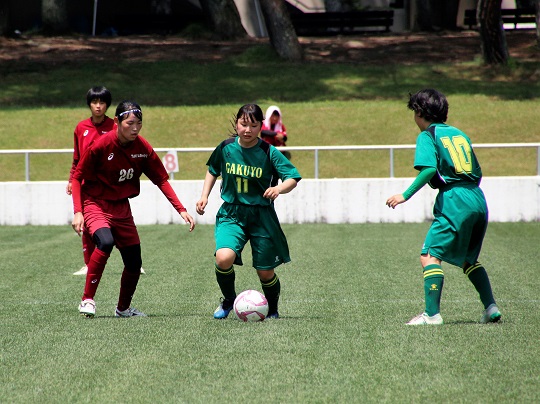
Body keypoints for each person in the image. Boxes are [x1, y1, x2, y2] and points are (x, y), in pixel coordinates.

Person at [385, 89, 501, 325]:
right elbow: (476, 173)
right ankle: (491, 308)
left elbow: (428, 169)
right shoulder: (460, 135)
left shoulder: (428, 135)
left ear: (419, 112)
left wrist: (404, 195)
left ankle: (431, 315)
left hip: (455, 201)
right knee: (469, 260)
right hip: (477, 198)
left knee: (429, 256)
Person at [71, 100, 195, 318]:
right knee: (105, 241)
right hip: (95, 203)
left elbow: (161, 179)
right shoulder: (101, 145)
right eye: (130, 123)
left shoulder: (142, 148)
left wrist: (181, 209)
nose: (135, 128)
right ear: (117, 122)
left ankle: (123, 309)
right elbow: (77, 176)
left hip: (121, 208)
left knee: (134, 262)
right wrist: (78, 211)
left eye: (139, 123)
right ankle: (87, 300)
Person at [196, 103, 301, 320]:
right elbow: (212, 170)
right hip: (232, 213)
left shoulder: (268, 151)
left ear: (260, 127)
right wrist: (204, 195)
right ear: (237, 123)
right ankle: (228, 300)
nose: (247, 130)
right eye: (243, 124)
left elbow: (293, 178)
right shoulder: (225, 147)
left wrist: (278, 188)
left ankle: (272, 309)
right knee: (223, 258)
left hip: (261, 216)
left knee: (265, 271)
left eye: (253, 125)